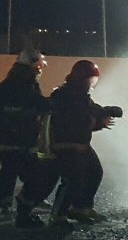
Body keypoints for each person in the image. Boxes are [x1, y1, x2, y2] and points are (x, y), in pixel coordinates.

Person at [40, 59, 122, 225]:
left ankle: (80, 208)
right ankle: (59, 215)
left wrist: (102, 117)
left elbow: (89, 113)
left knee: (94, 172)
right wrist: (104, 114)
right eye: (90, 80)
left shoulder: (79, 96)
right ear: (81, 78)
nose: (91, 84)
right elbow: (80, 116)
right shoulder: (65, 95)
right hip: (66, 144)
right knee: (72, 179)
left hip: (79, 144)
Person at [0, 48, 51, 230]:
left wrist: (49, 105)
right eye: (38, 66)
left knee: (31, 177)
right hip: (10, 141)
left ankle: (18, 215)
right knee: (10, 177)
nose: (40, 69)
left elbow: (37, 103)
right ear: (30, 64)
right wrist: (10, 113)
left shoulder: (27, 84)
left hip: (24, 141)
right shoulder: (13, 84)